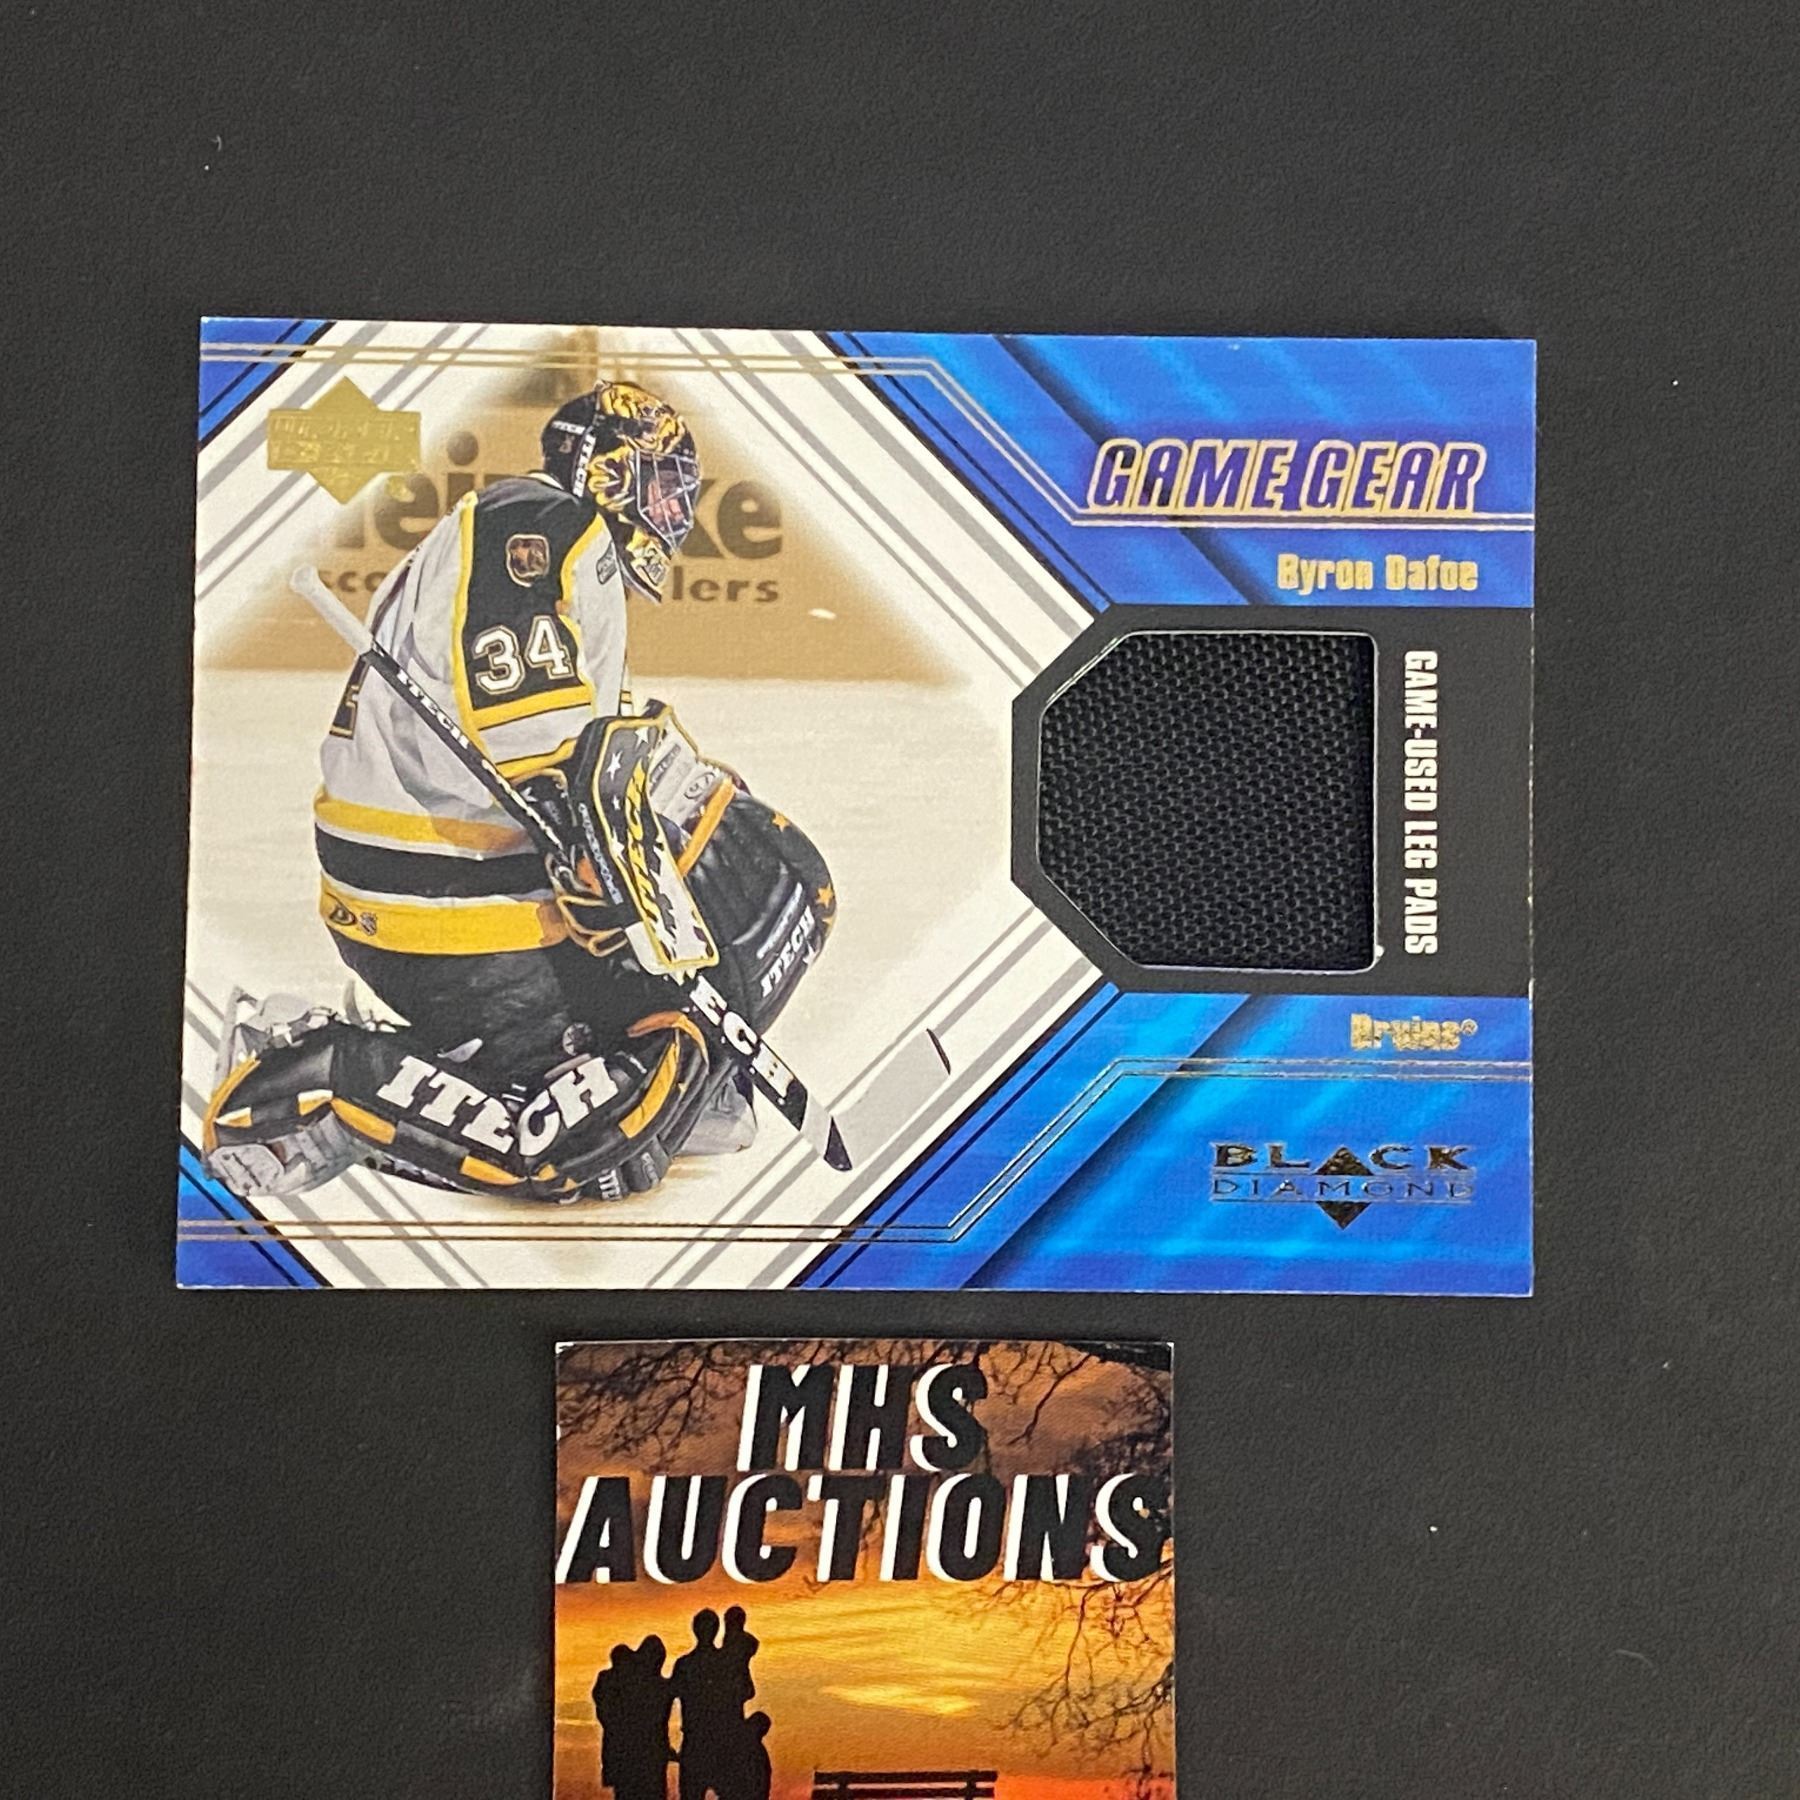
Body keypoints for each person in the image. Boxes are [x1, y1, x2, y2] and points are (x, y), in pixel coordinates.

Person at [201, 382, 835, 1205]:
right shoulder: (536, 523)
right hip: (437, 900)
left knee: (772, 903)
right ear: (608, 469)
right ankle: (324, 1075)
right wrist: (607, 864)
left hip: (484, 873)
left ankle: (616, 1067)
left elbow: (585, 751)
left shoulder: (556, 533)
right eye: (662, 485)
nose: (674, 513)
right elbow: (531, 739)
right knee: (579, 1153)